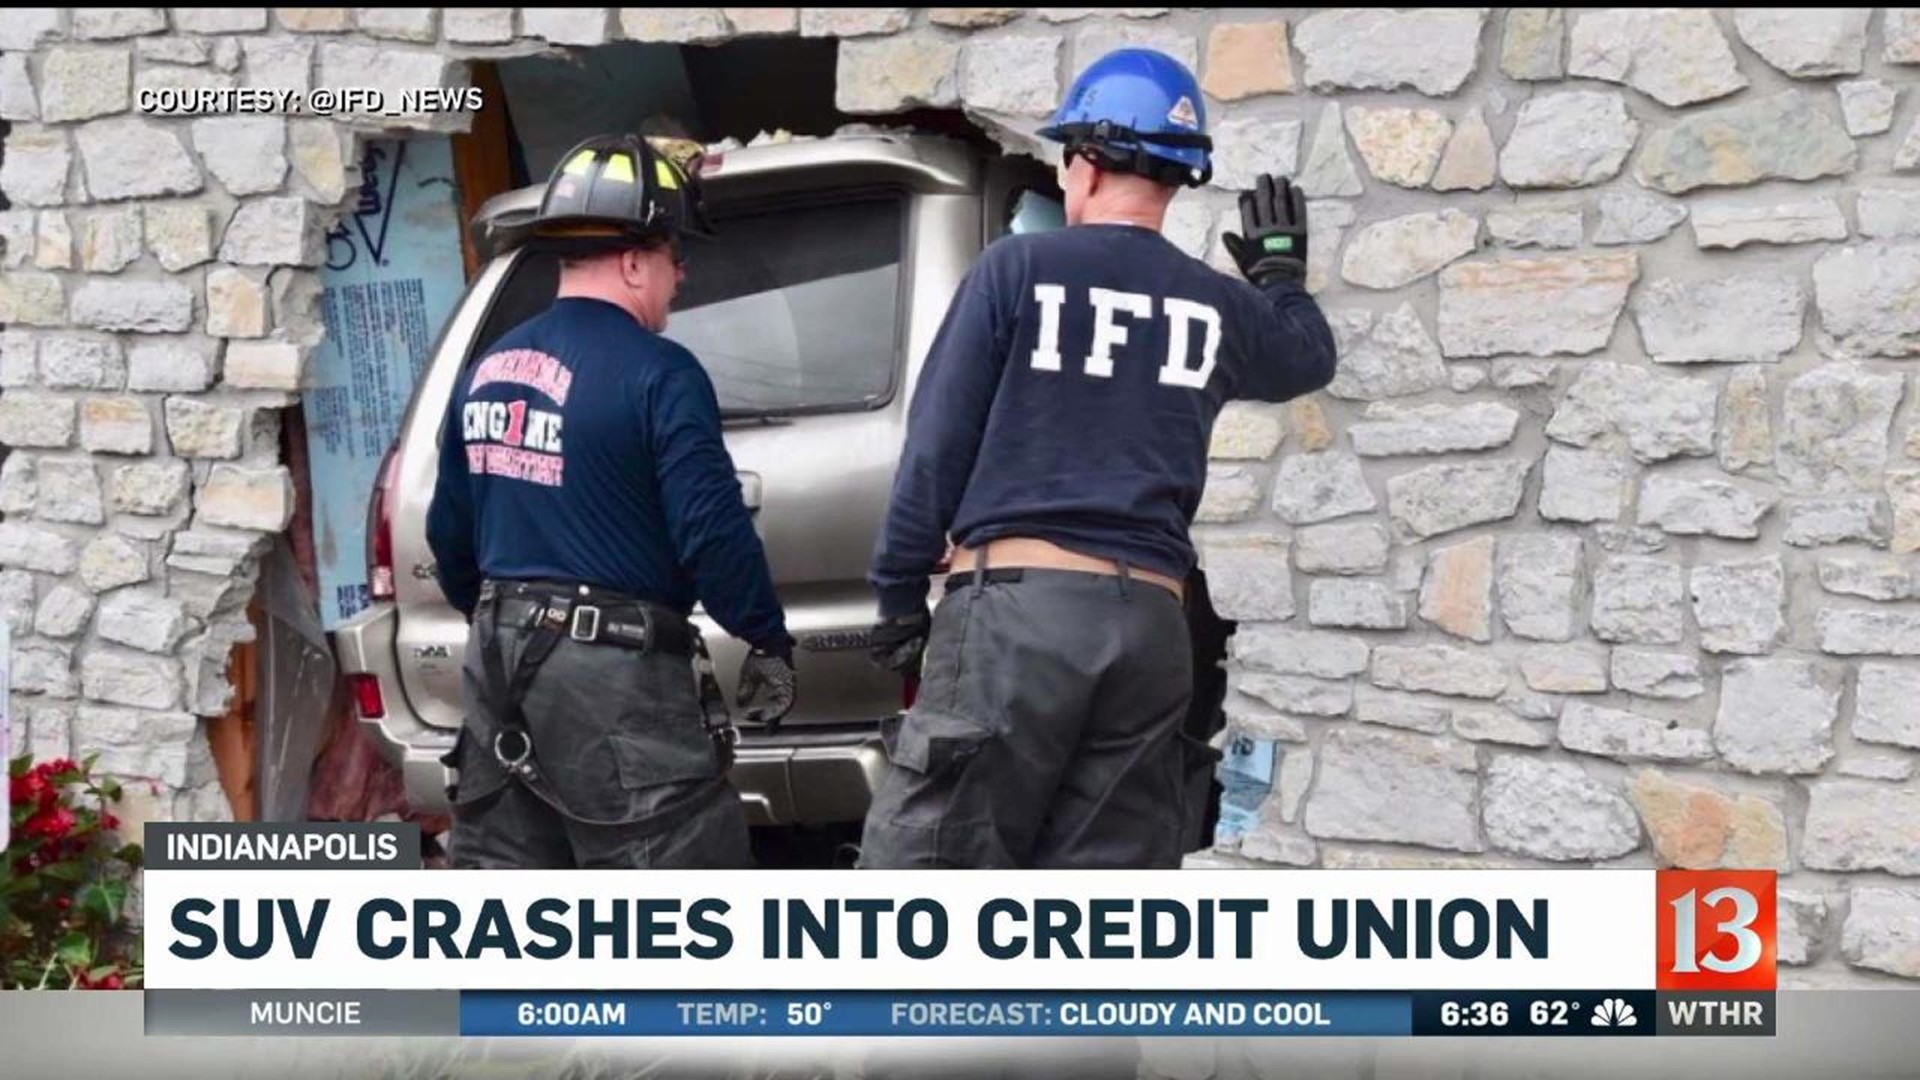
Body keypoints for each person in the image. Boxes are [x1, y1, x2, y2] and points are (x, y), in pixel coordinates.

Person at [858, 48, 1339, 870]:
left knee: (930, 875)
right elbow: (1307, 358)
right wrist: (1280, 273)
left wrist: (900, 593)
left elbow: (936, 446)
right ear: (1177, 179)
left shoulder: (1017, 268)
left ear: (1081, 163)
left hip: (1017, 619)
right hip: (1150, 630)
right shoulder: (1217, 303)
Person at [426, 133, 796, 869]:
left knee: (511, 896)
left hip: (498, 666)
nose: (680, 277)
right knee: (677, 895)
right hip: (611, 678)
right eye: (673, 258)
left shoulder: (488, 369)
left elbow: (451, 535)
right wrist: (764, 635)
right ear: (634, 260)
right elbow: (710, 530)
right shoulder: (661, 372)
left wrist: (509, 620)